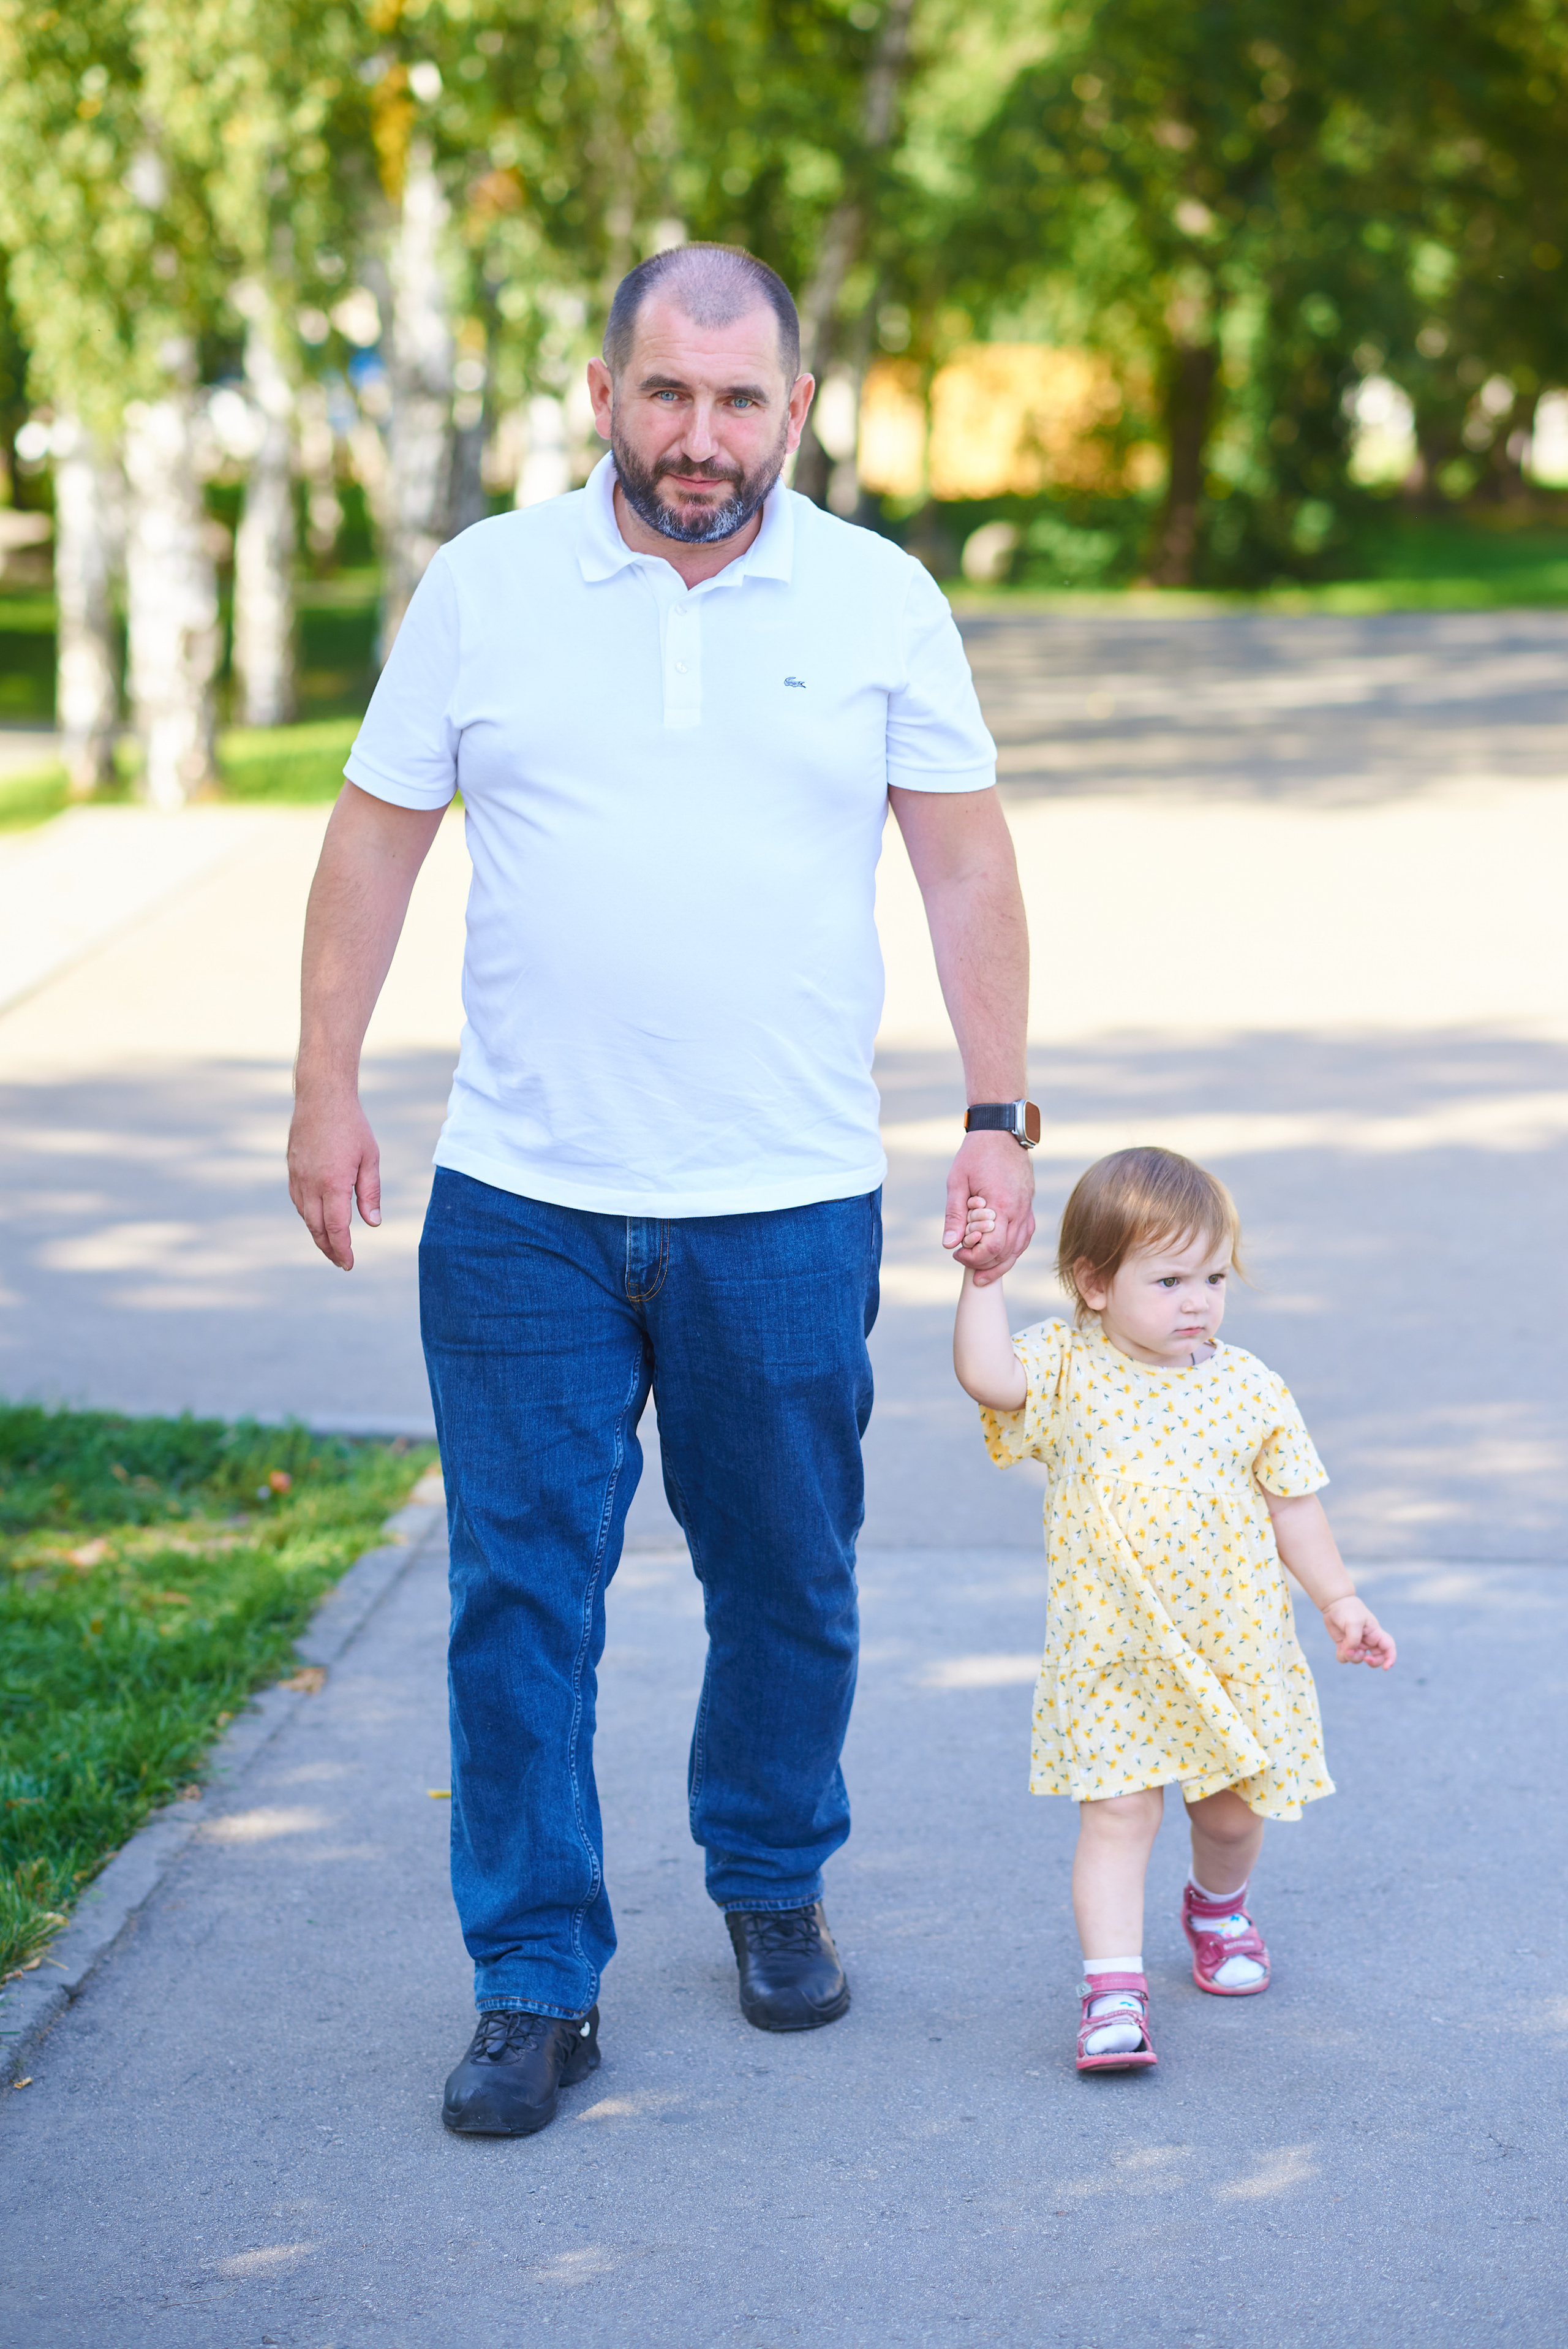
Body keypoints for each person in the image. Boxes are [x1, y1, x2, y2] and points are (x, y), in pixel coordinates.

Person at [287, 242, 1038, 2137]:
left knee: (787, 1573)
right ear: (603, 393)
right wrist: (323, 1084)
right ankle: (536, 1975)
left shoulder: (879, 598)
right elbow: (374, 843)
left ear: (796, 406)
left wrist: (997, 1114)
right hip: (522, 1194)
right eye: (664, 395)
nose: (697, 437)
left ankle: (772, 1877)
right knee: (518, 1594)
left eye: (736, 400)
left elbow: (964, 869)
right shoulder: (487, 588)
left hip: (781, 1197)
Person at [951, 1146, 1395, 2073]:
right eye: (1168, 1278)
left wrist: (1340, 1599)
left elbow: (1292, 1503)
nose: (1198, 1299)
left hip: (1234, 1648)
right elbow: (990, 1380)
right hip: (1114, 1652)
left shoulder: (1249, 1387)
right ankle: (1112, 1989)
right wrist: (984, 1282)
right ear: (1094, 1282)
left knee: (1232, 1813)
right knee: (1119, 1815)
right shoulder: (1067, 1366)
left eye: (1213, 1276)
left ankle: (1217, 1909)